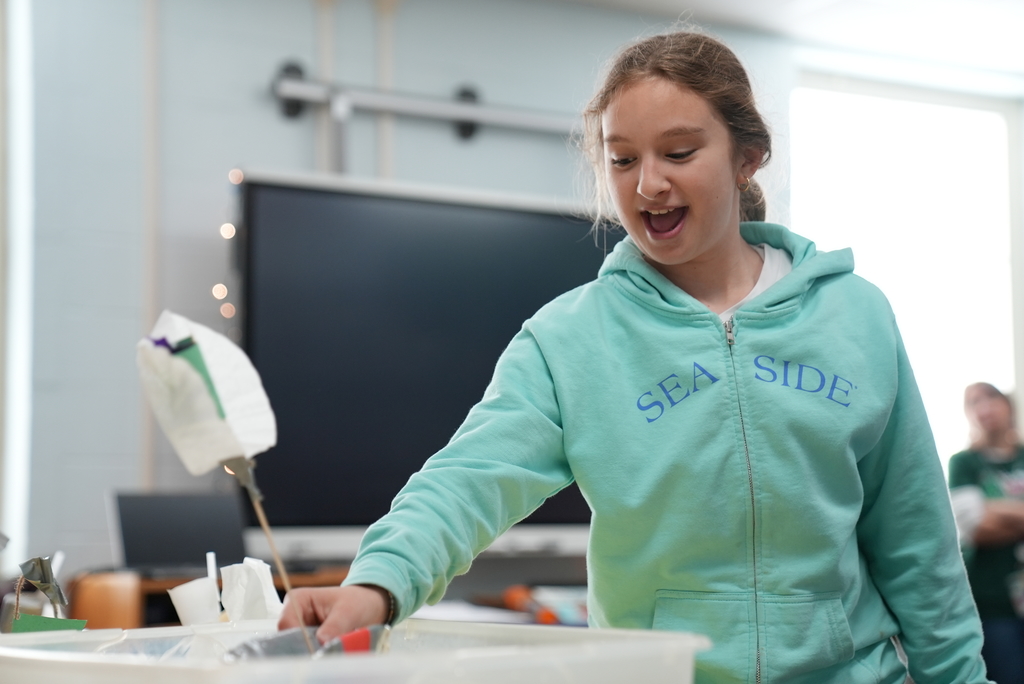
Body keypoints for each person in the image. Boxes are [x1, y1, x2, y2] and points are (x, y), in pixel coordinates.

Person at [281, 30, 989, 683]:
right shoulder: (570, 339)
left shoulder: (855, 314)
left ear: (748, 157)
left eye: (679, 153)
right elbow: (464, 483)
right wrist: (376, 583)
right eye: (622, 159)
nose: (647, 183)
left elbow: (918, 545)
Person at [950, 382, 1024, 683]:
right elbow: (978, 528)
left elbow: (986, 515)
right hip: (990, 599)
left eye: (990, 398)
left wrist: (994, 507)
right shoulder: (964, 463)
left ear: (1007, 404)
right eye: (973, 403)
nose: (984, 408)